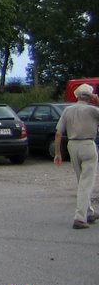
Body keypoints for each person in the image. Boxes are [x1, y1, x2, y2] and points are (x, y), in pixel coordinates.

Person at [54, 83, 99, 229]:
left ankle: (89, 212)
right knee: (86, 182)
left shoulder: (68, 110)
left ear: (77, 96)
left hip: (72, 145)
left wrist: (58, 153)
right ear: (90, 97)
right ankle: (80, 218)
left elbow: (59, 132)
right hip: (88, 145)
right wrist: (97, 100)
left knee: (81, 180)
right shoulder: (93, 110)